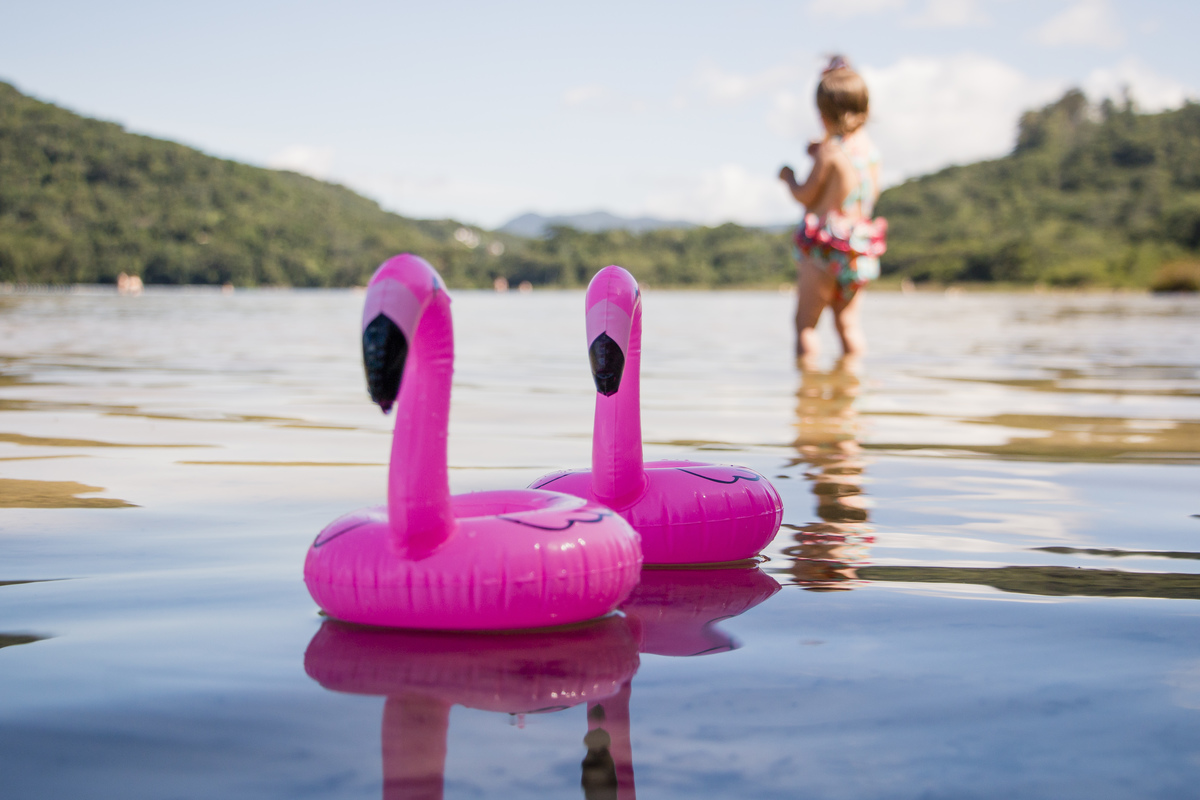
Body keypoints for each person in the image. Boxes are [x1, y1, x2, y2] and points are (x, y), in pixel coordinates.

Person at [779, 56, 887, 367]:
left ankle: (809, 392)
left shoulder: (830, 152)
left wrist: (789, 178)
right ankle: (852, 385)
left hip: (826, 247)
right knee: (848, 324)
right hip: (859, 246)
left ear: (823, 115)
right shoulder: (871, 152)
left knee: (805, 325)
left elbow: (806, 195)